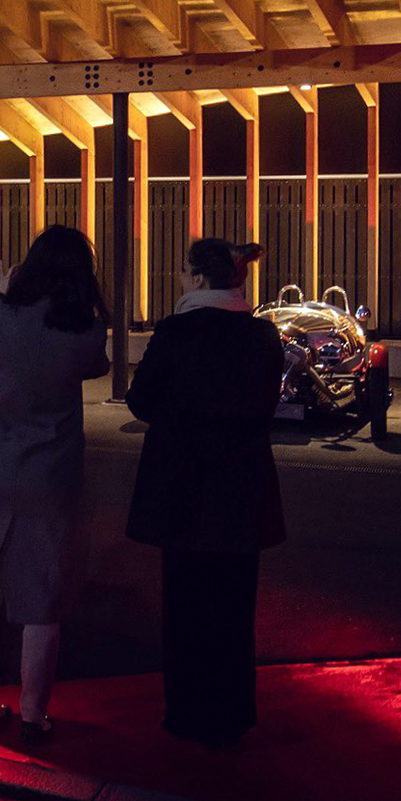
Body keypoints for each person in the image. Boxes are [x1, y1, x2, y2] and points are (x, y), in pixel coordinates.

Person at [0, 225, 111, 745]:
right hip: (51, 473)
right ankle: (35, 713)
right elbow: (96, 365)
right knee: (42, 596)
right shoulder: (84, 328)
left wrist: (6, 289)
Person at [124, 239, 285, 748]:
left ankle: (187, 712)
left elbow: (141, 400)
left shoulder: (175, 332)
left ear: (195, 277)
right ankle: (234, 711)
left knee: (185, 605)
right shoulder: (262, 334)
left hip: (183, 486)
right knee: (235, 608)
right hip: (242, 488)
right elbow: (267, 402)